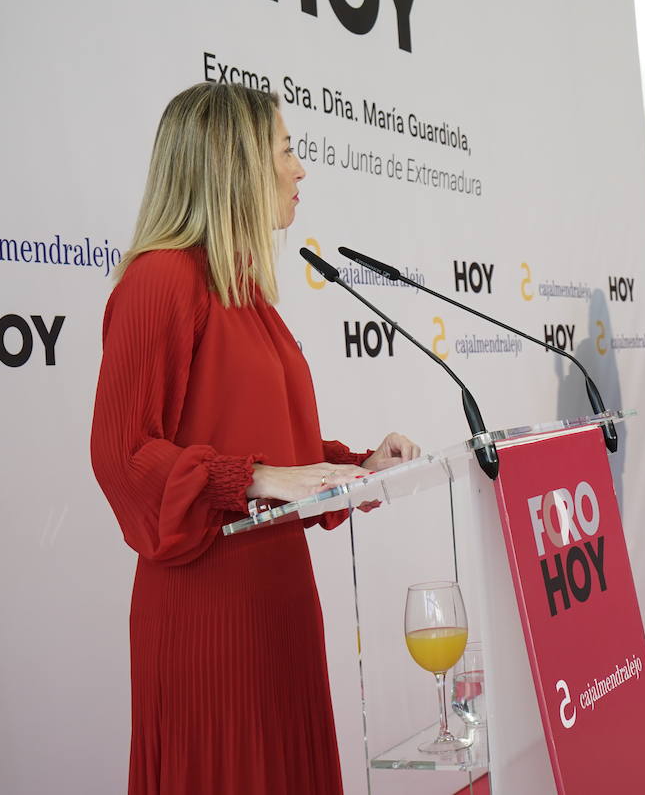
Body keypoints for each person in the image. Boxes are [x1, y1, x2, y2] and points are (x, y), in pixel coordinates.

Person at [90, 83, 419, 794]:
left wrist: (358, 465)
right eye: (287, 149)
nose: (301, 169)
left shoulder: (245, 291)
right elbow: (121, 456)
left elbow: (278, 450)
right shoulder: (160, 280)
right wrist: (254, 479)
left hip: (279, 603)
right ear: (233, 161)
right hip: (211, 613)